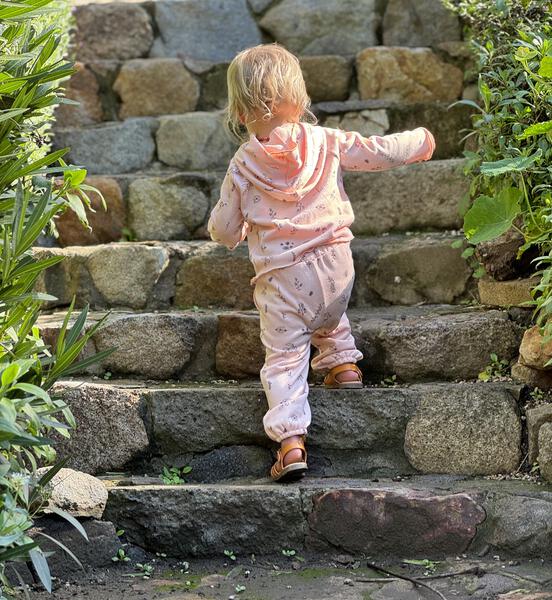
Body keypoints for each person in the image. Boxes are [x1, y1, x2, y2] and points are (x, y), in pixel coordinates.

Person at [208, 43, 435, 482]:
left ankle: (291, 442)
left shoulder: (241, 166)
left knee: (286, 356)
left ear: (239, 113)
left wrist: (231, 232)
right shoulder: (327, 141)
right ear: (300, 98)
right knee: (328, 314)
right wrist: (420, 141)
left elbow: (223, 226)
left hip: (282, 280)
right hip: (336, 268)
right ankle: (343, 364)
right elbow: (380, 150)